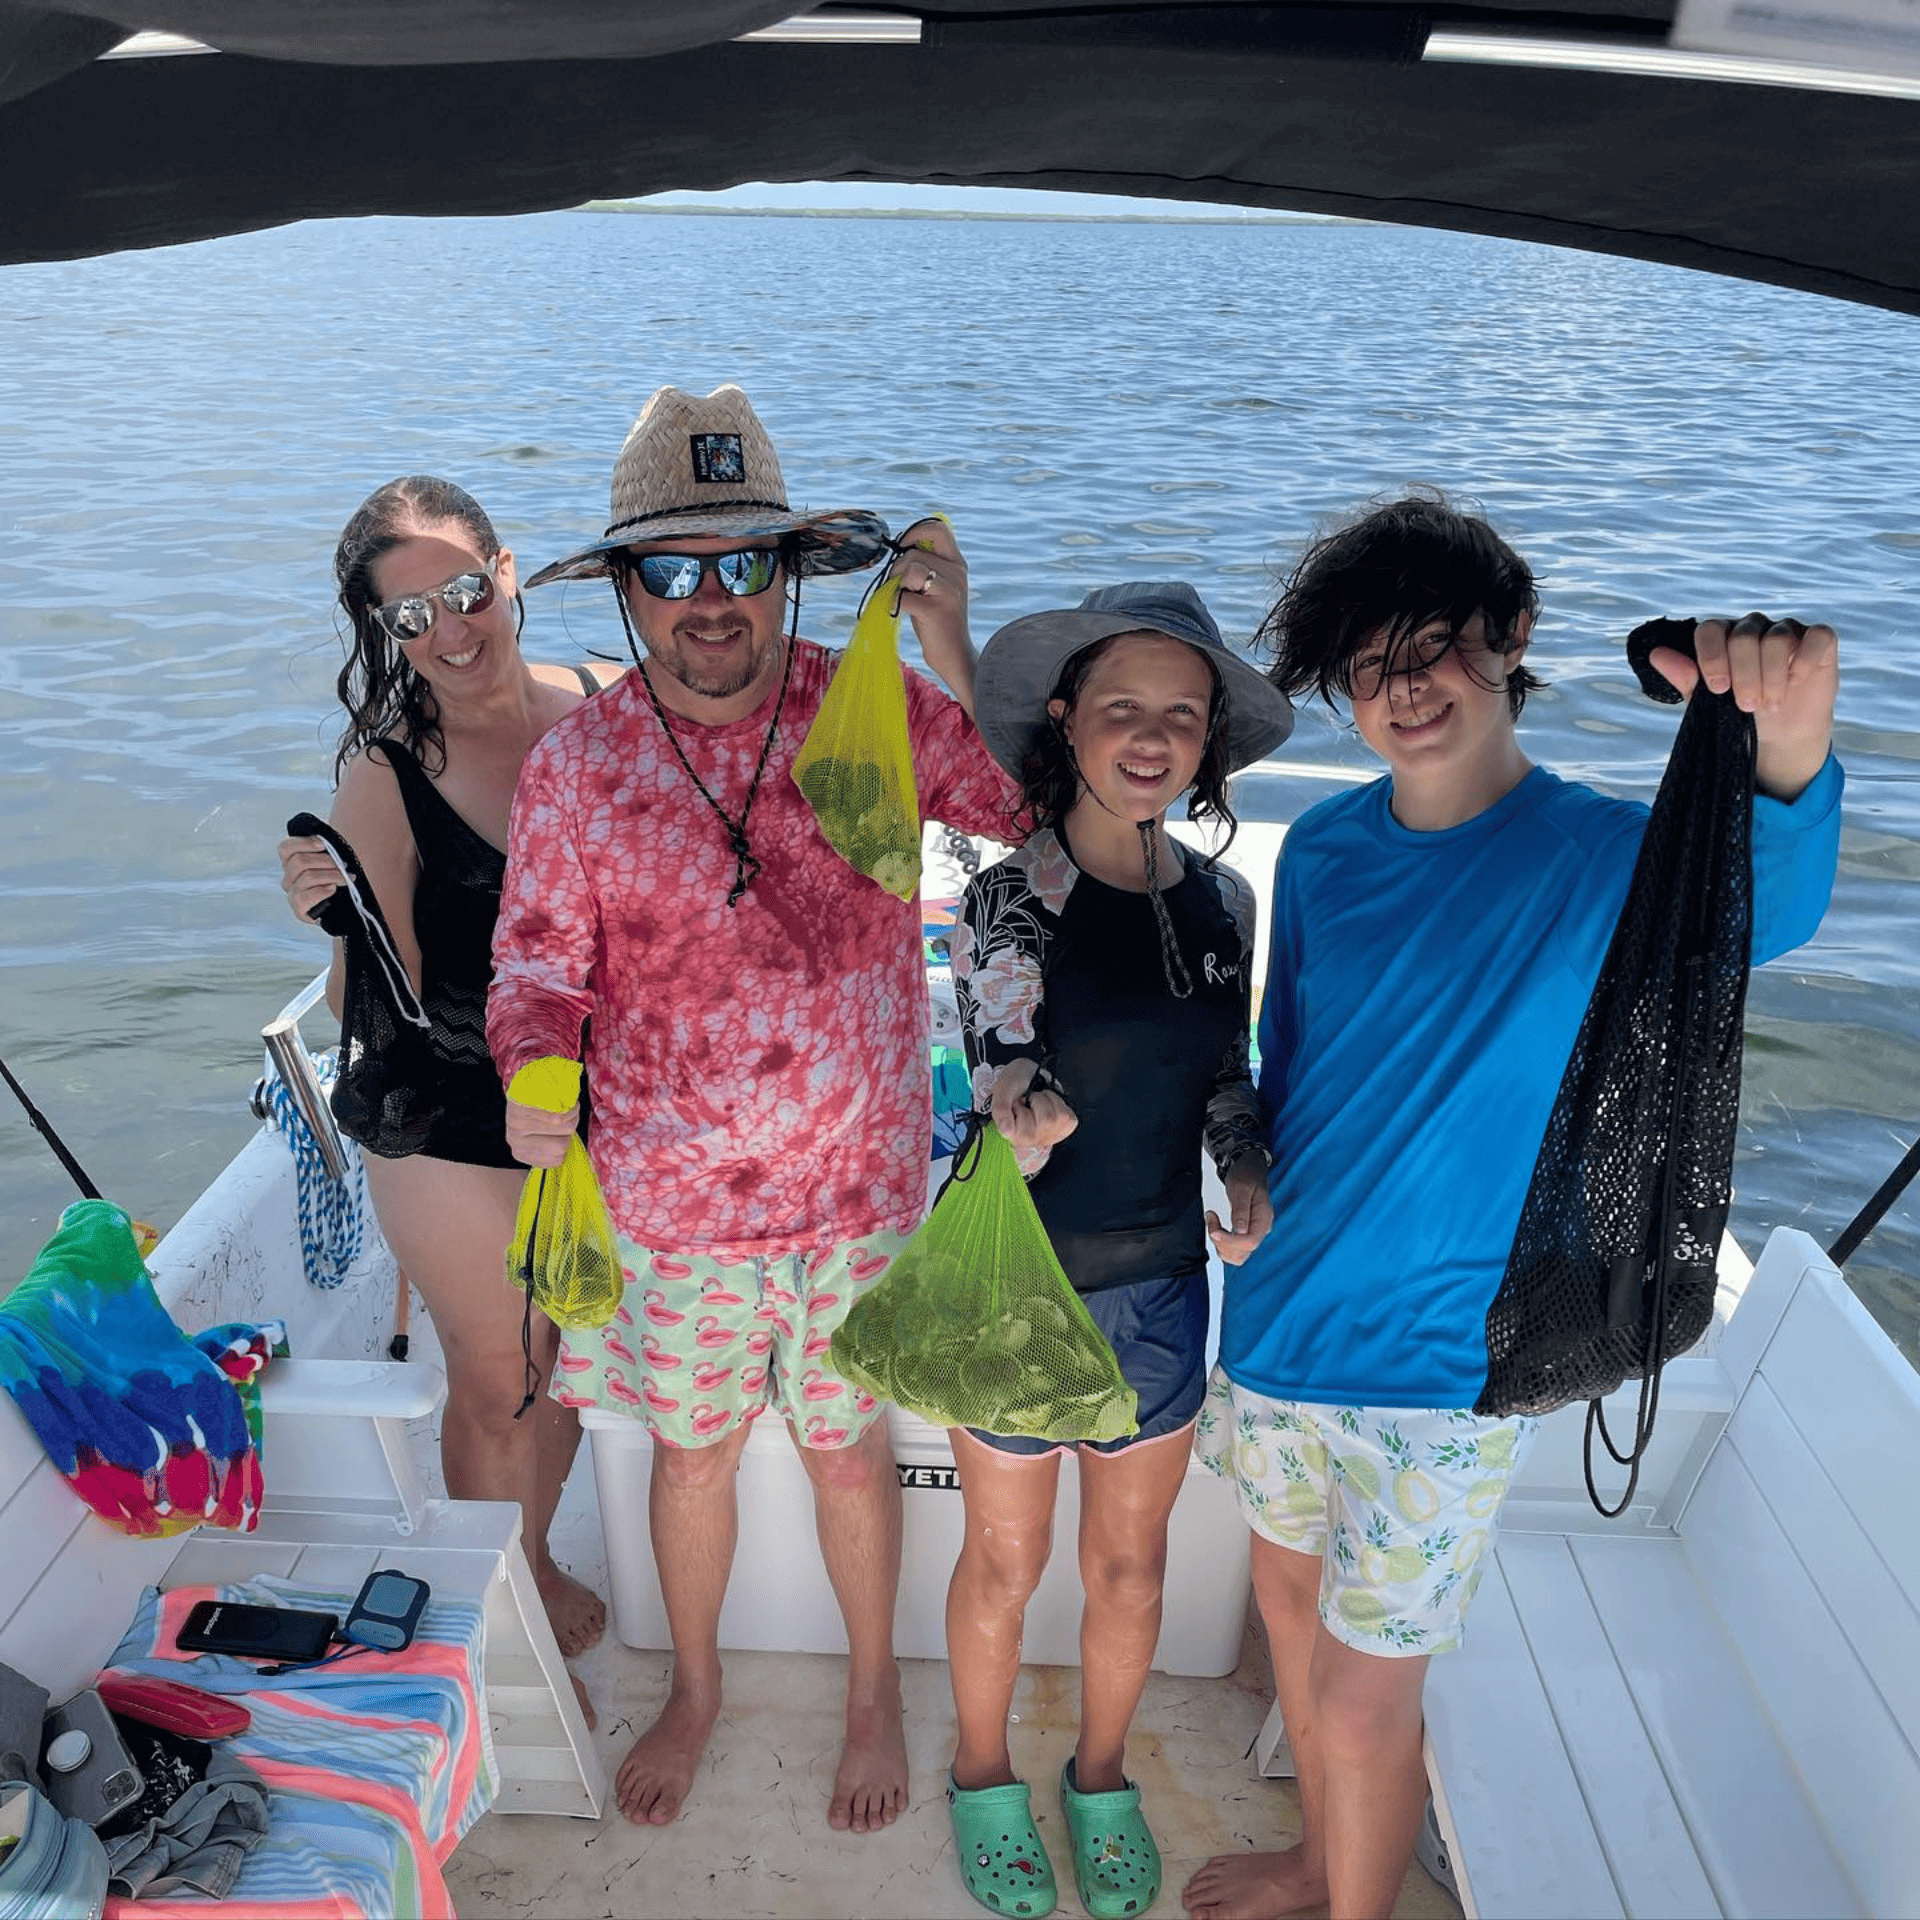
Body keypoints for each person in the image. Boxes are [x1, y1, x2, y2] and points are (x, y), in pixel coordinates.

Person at [1182, 492, 1844, 1920]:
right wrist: (1241, 1173)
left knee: (1366, 1710)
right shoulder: (1328, 855)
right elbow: (1283, 1069)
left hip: (1448, 1369)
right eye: (1367, 666)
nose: (1402, 691)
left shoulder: (1609, 857)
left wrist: (1785, 742)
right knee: (1289, 1627)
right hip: (1285, 1325)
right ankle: (1321, 1860)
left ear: (1514, 639)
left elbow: (1765, 910)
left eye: (1434, 649)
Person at [485, 383, 1020, 1835]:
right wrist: (539, 1082)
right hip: (670, 1212)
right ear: (627, 591)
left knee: (850, 1447)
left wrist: (952, 645)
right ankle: (701, 1686)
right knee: (692, 1453)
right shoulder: (575, 769)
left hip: (858, 1201)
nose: (710, 600)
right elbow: (535, 968)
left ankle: (868, 1693)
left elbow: (1017, 828)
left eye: (744, 563)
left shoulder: (880, 711)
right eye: (673, 568)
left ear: (788, 576)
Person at [945, 582, 1293, 1919]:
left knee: (1131, 1567)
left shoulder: (1222, 908)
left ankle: (1098, 1774)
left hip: (1160, 1281)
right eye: (1124, 709)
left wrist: (1247, 1167)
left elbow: (1225, 1074)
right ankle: (983, 1774)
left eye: (1182, 717)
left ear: (1208, 745)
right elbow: (1000, 1055)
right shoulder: (1005, 898)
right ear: (1068, 725)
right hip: (1017, 1282)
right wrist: (1020, 1115)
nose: (1152, 736)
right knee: (1003, 1564)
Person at [277, 476, 616, 1689]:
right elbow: (368, 1008)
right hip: (448, 1113)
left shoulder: (609, 710)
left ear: (510, 572)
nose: (452, 631)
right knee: (501, 1371)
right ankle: (509, 1606)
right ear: (387, 633)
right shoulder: (387, 771)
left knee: (572, 1356)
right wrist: (341, 921)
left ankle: (533, 1554)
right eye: (412, 616)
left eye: (467, 591)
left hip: (596, 1106)